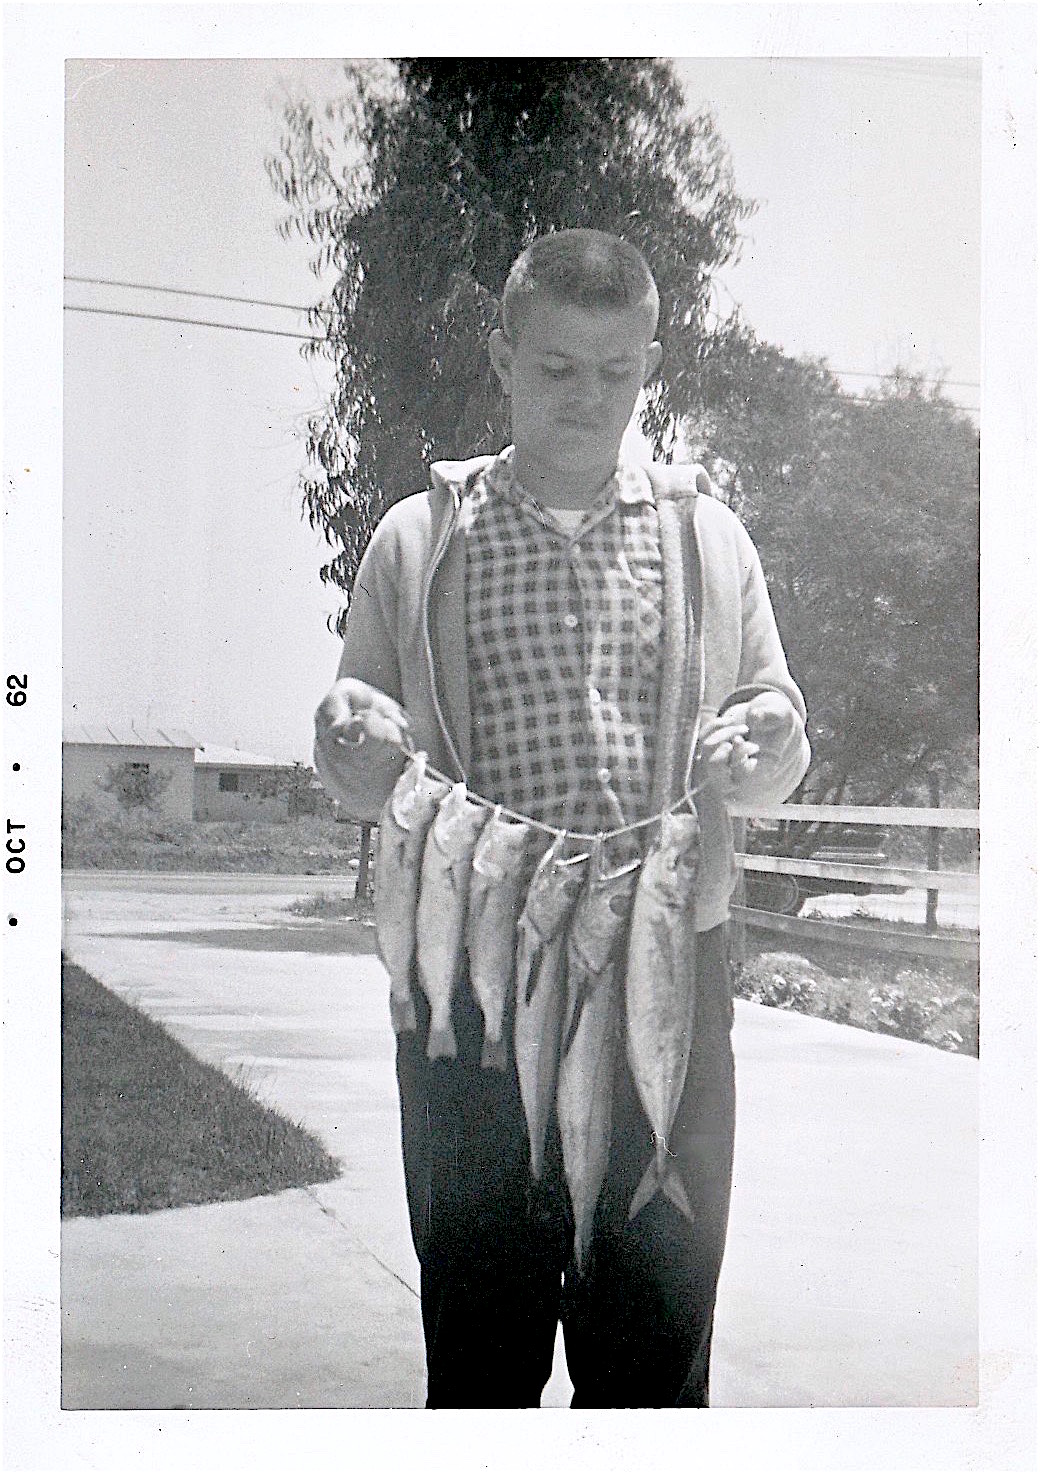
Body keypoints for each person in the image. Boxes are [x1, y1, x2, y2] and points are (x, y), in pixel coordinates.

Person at [313, 229, 811, 1408]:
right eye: (553, 368)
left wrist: (770, 743)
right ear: (500, 357)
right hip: (472, 986)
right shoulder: (418, 537)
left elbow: (773, 732)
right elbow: (357, 764)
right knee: (479, 1348)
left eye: (615, 371)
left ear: (648, 364)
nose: (586, 397)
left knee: (651, 1351)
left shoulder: (706, 535)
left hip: (661, 963)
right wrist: (349, 736)